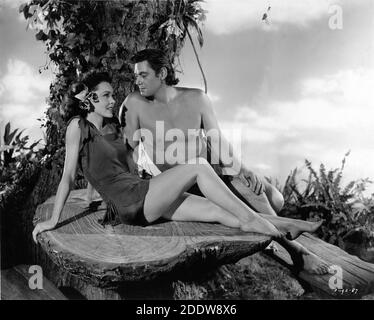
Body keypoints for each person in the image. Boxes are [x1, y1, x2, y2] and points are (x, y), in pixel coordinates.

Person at [32, 71, 323, 246]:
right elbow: (70, 176)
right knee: (198, 166)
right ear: (88, 100)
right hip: (133, 202)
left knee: (221, 212)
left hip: (143, 193)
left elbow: (103, 170)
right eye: (106, 95)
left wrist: (92, 196)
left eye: (112, 95)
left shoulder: (111, 129)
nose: (112, 100)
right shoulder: (77, 127)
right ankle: (267, 224)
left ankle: (288, 238)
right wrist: (53, 220)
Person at [121, 49, 331, 275]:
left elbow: (217, 141)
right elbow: (128, 151)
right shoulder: (134, 104)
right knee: (264, 203)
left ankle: (275, 237)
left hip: (213, 174)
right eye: (136, 76)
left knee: (269, 197)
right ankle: (297, 250)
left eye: (143, 75)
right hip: (181, 184)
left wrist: (244, 170)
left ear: (161, 73)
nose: (138, 81)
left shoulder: (196, 99)